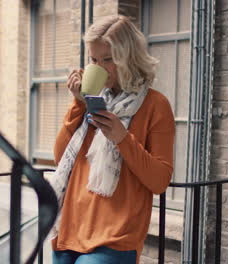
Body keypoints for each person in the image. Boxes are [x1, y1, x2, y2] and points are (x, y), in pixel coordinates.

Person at [50, 15, 175, 264]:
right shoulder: (92, 100)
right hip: (71, 227)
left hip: (115, 237)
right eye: (94, 60)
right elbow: (59, 156)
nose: (99, 67)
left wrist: (122, 138)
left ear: (129, 58)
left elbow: (160, 181)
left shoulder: (155, 105)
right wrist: (78, 104)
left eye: (108, 60)